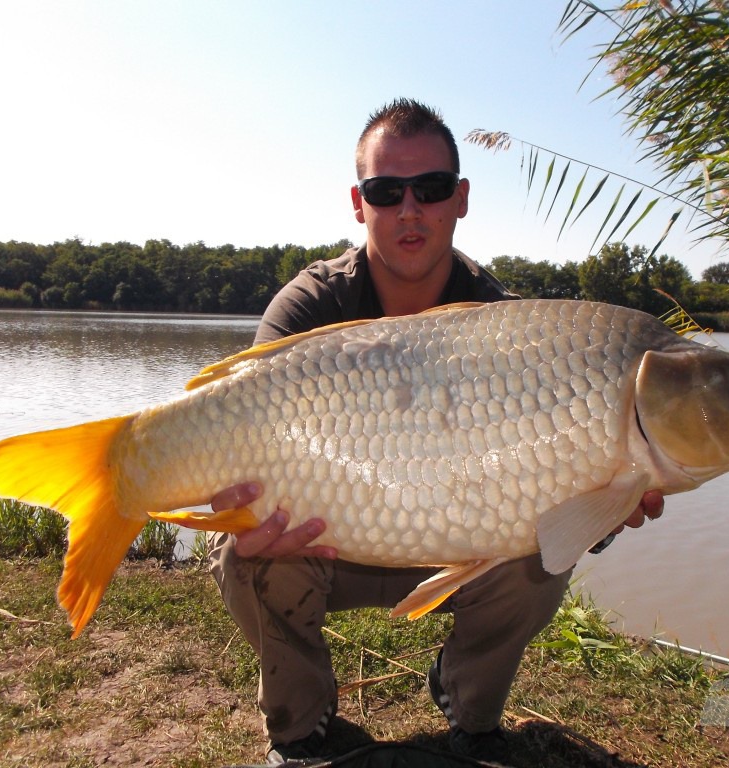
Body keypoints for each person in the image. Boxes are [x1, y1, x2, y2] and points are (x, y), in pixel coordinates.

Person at [208, 98, 664, 765]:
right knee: (242, 555)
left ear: (461, 199)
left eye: (432, 188)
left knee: (540, 557)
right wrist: (237, 507)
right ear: (359, 204)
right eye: (386, 191)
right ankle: (302, 721)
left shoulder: (505, 324)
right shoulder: (309, 306)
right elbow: (241, 428)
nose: (410, 209)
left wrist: (601, 504)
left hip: (454, 540)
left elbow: (554, 487)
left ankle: (467, 704)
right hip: (331, 539)